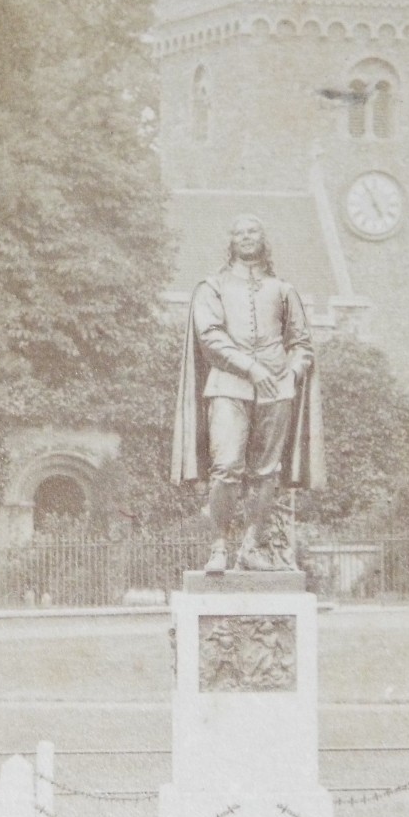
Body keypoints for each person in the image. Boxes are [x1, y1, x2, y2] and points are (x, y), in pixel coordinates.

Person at [170, 214, 325, 572]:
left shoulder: (283, 290)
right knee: (225, 467)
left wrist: (292, 372)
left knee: (267, 473)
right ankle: (219, 547)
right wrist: (251, 368)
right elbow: (209, 338)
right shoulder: (212, 287)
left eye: (253, 231)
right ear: (230, 241)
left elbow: (302, 344)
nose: (246, 237)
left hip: (275, 391)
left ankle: (252, 545)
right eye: (239, 232)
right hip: (228, 386)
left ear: (263, 239)